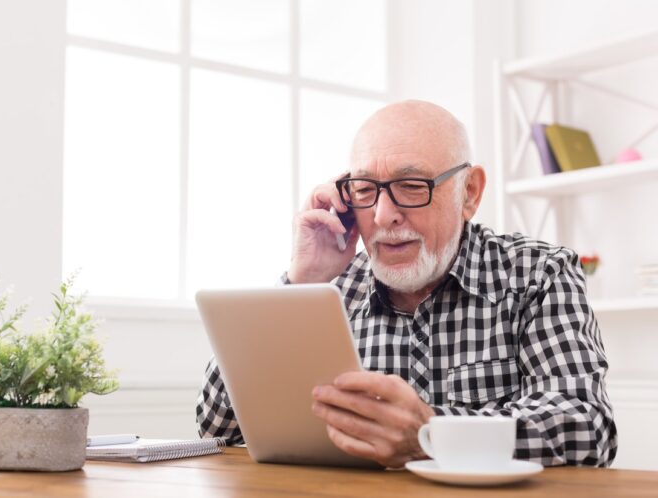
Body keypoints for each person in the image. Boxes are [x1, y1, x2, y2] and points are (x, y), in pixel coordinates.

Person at [196, 100, 617, 468]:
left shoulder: (538, 273)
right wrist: (301, 282)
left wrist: (431, 433)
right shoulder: (329, 289)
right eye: (364, 189)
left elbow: (587, 425)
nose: (382, 215)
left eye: (411, 187)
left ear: (469, 193)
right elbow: (216, 427)